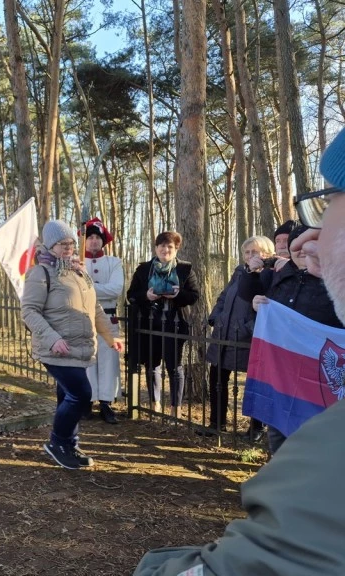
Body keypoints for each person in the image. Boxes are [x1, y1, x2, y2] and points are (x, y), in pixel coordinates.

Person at [132, 127, 345, 576]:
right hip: (259, 363)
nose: (314, 240)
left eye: (329, 209)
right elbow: (239, 297)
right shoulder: (258, 274)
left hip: (302, 377)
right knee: (276, 435)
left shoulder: (333, 452)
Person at [21, 220, 123, 470]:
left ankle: (69, 444)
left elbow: (96, 308)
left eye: (70, 243)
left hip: (80, 347)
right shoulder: (41, 272)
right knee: (81, 394)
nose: (68, 248)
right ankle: (57, 442)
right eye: (61, 244)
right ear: (50, 246)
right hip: (57, 348)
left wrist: (110, 336)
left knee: (68, 395)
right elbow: (29, 311)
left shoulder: (79, 272)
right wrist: (52, 338)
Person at [245, 223, 343, 454]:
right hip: (283, 376)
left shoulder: (337, 282)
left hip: (320, 381)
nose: (304, 250)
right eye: (297, 246)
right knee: (279, 434)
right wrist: (257, 307)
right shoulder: (281, 277)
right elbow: (267, 314)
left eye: (312, 245)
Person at [199, 235, 275, 437]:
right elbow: (224, 297)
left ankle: (256, 429)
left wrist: (246, 327)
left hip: (249, 338)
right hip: (224, 333)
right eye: (247, 252)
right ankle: (216, 423)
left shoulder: (270, 275)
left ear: (267, 253)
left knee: (256, 382)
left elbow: (268, 307)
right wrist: (216, 317)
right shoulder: (240, 272)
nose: (251, 256)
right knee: (217, 378)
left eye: (256, 252)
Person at [127, 232, 199, 419]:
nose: (165, 250)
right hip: (149, 324)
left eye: (170, 247)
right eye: (162, 246)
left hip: (175, 324)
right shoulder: (144, 269)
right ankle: (155, 403)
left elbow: (194, 296)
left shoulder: (185, 269)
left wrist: (178, 295)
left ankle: (176, 408)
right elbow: (131, 295)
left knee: (175, 367)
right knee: (152, 366)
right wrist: (146, 296)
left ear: (176, 249)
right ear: (156, 247)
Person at [82, 217, 124, 424]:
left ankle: (106, 402)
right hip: (84, 317)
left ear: (103, 240)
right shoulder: (78, 263)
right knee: (88, 359)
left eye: (97, 237)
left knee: (108, 360)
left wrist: (87, 289)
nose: (93, 241)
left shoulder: (114, 263)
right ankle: (88, 401)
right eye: (89, 237)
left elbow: (116, 289)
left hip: (108, 317)